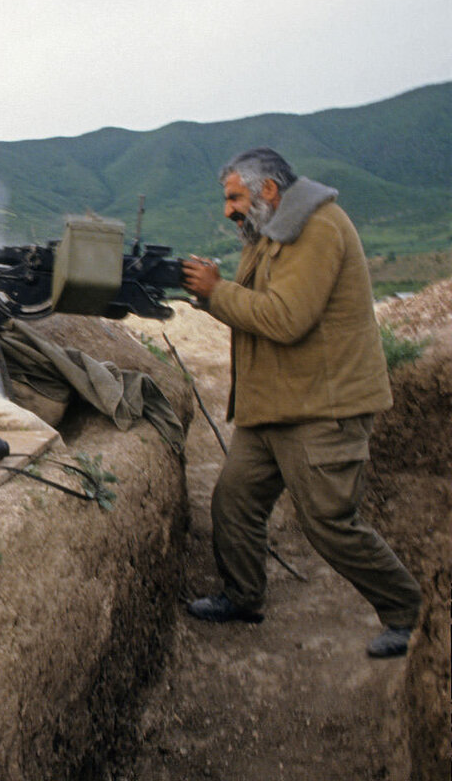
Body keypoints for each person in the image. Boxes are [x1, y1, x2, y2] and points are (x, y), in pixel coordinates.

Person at [180, 147, 421, 658]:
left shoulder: (318, 229)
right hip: (274, 408)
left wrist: (217, 291)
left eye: (235, 198)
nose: (229, 210)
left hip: (322, 410)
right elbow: (250, 306)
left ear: (268, 190)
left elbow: (286, 318)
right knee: (235, 501)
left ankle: (410, 615)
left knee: (329, 522)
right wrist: (207, 292)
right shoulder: (269, 233)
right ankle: (243, 597)